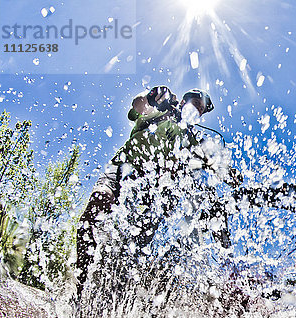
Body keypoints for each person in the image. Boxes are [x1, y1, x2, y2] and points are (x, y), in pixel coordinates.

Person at [75, 86, 216, 298]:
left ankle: (115, 289)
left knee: (140, 240)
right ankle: (79, 284)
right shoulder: (163, 106)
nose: (197, 111)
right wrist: (151, 97)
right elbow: (137, 107)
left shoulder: (191, 137)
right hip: (124, 167)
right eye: (195, 104)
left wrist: (227, 171)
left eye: (201, 111)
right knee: (98, 201)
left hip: (151, 188)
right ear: (186, 100)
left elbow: (211, 160)